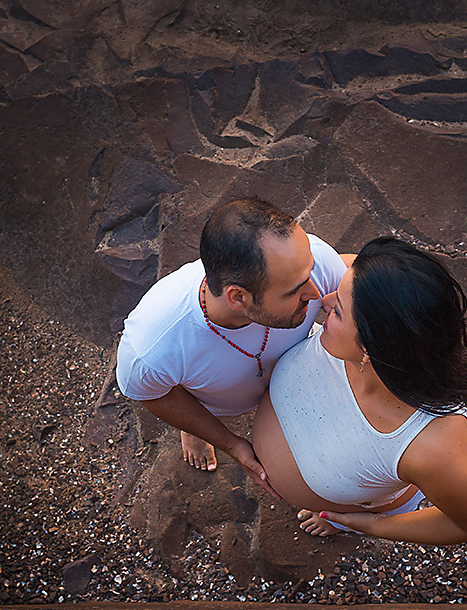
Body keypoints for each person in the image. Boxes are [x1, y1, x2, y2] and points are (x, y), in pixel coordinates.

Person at [251, 236, 467, 546]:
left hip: (352, 509)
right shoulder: (363, 308)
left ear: (370, 348)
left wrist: (373, 526)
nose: (322, 300)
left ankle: (340, 524)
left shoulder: (435, 447)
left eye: (338, 311)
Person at [115, 198, 351, 497]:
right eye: (294, 291)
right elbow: (152, 394)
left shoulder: (309, 261)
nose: (317, 294)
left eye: (310, 273)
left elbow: (351, 274)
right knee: (192, 409)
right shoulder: (152, 347)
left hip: (296, 370)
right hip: (216, 401)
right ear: (238, 298)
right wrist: (231, 443)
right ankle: (194, 429)